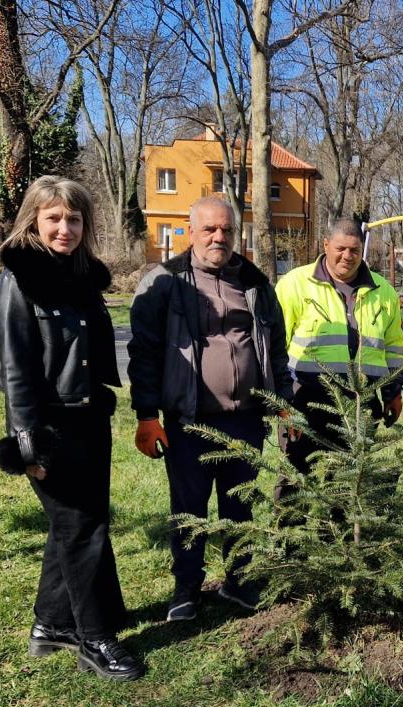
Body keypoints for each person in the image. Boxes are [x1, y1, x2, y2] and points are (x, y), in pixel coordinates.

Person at [0, 175, 142, 681]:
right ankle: (95, 638)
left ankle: (52, 624)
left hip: (88, 417)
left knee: (75, 523)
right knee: (83, 528)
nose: (64, 228)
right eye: (53, 218)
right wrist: (28, 442)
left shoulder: (80, 276)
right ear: (33, 221)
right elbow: (16, 369)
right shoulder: (17, 280)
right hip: (50, 426)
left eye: (73, 219)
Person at [127, 197, 291, 621]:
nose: (219, 237)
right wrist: (147, 415)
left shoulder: (254, 282)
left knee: (240, 505)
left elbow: (275, 346)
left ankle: (239, 579)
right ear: (191, 231)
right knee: (189, 509)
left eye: (227, 230)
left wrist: (283, 402)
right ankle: (186, 588)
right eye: (210, 229)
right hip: (189, 421)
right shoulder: (163, 282)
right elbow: (143, 353)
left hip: (246, 419)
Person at [274, 218, 403, 479]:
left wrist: (392, 392)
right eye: (340, 249)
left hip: (361, 403)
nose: (347, 256)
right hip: (305, 400)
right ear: (326, 245)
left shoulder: (384, 292)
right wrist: (282, 401)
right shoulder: (295, 284)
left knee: (349, 483)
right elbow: (275, 346)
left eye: (354, 250)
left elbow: (393, 347)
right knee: (296, 480)